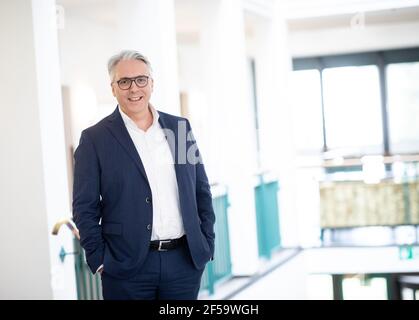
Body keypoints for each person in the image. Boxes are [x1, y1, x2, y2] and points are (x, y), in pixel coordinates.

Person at [72, 50, 215, 300]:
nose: (133, 88)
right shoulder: (95, 139)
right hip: (125, 267)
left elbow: (200, 190)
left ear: (151, 83)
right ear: (113, 88)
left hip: (184, 263)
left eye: (141, 79)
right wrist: (99, 258)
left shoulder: (179, 129)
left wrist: (207, 241)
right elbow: (85, 207)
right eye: (124, 82)